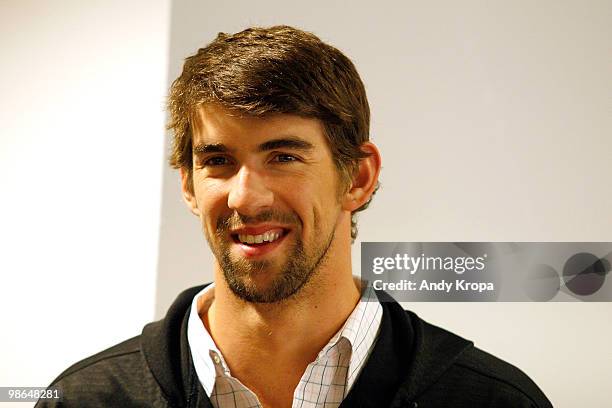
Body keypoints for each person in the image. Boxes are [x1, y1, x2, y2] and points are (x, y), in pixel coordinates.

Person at [37, 26, 552, 408]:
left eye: (282, 157)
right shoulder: (84, 399)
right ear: (188, 185)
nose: (245, 197)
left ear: (357, 178)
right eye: (218, 161)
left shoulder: (493, 401)